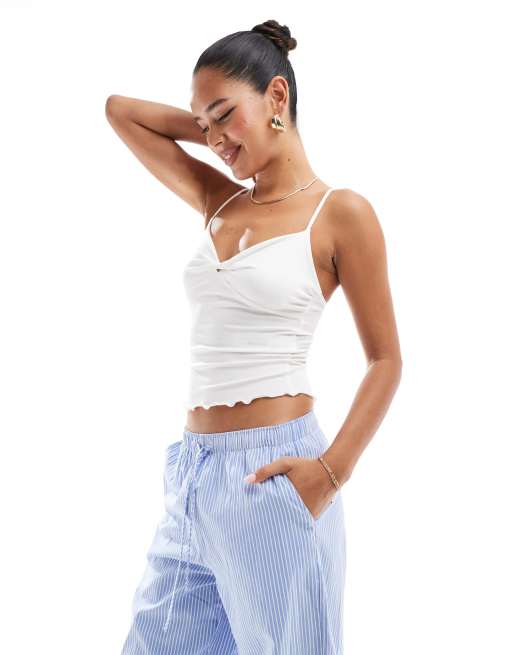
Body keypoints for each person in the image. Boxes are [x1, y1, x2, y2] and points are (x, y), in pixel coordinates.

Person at [106, 19, 402, 655]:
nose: (213, 138)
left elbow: (385, 360)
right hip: (192, 475)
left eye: (223, 114)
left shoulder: (340, 213)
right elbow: (121, 112)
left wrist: (331, 473)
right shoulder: (219, 201)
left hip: (274, 475)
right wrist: (222, 130)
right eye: (202, 124)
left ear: (277, 96)